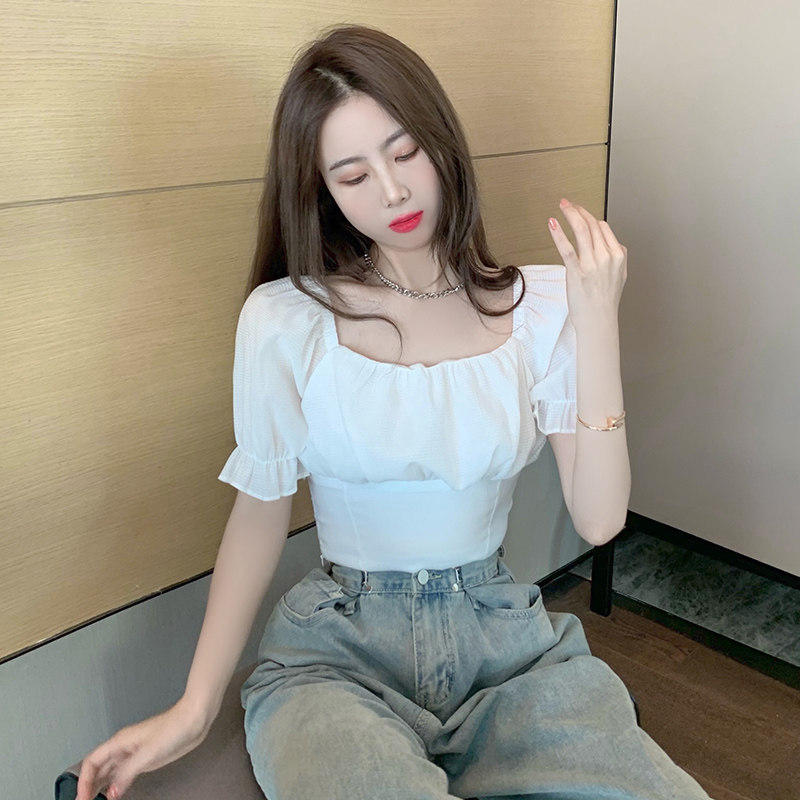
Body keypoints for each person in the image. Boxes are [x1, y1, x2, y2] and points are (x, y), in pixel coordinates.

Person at [77, 24, 713, 800]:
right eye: (353, 175)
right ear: (324, 192)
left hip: (506, 649)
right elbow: (259, 511)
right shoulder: (287, 320)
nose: (392, 191)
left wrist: (597, 319)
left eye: (404, 152)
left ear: (440, 141)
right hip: (338, 656)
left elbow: (601, 519)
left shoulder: (541, 309)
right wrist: (194, 706)